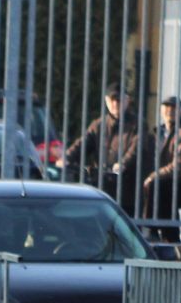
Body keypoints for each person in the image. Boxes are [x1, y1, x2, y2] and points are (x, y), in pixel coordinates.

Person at [63, 82, 146, 216]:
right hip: (102, 186)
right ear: (106, 101)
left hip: (127, 189)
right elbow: (82, 143)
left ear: (127, 100)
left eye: (119, 99)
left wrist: (123, 163)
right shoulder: (99, 125)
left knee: (126, 222)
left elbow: (136, 148)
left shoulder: (137, 125)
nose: (115, 103)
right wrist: (67, 158)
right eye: (112, 100)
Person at [143, 96, 181, 243]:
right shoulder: (159, 132)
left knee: (156, 186)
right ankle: (168, 244)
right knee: (168, 218)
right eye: (166, 107)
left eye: (174, 107)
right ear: (161, 110)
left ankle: (150, 229)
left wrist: (153, 176)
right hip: (164, 183)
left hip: (180, 183)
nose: (169, 110)